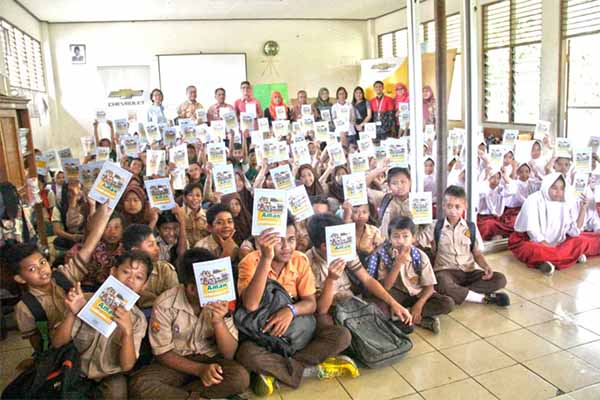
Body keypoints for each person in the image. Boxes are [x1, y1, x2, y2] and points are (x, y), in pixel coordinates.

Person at [235, 223, 357, 395]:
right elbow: (251, 305)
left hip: (297, 329)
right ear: (264, 242)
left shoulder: (299, 259)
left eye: (291, 240)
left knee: (342, 336)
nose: (286, 247)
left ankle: (281, 371)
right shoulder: (250, 262)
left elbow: (311, 303)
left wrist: (290, 311)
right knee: (246, 354)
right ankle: (311, 368)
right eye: (279, 241)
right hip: (264, 334)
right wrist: (266, 259)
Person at [129, 248, 250, 399]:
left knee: (240, 377)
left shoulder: (222, 300)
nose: (216, 287)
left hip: (210, 359)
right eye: (209, 283)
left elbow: (229, 353)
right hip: (176, 362)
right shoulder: (165, 304)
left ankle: (180, 395)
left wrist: (219, 321)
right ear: (192, 288)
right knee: (140, 385)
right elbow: (162, 353)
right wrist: (200, 370)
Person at [8, 203, 114, 351]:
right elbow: (38, 343)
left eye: (42, 262)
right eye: (32, 269)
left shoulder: (63, 277)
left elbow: (88, 247)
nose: (42, 270)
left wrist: (106, 215)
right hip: (60, 352)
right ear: (20, 278)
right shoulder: (25, 308)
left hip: (85, 341)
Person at [51, 251, 153, 399]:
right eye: (126, 272)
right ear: (112, 272)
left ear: (144, 285)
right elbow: (57, 343)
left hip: (109, 374)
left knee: (117, 392)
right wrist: (73, 313)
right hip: (74, 368)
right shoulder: (85, 301)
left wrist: (127, 332)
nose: (130, 280)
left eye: (138, 277)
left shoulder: (137, 320)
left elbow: (127, 366)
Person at [305, 214, 412, 328]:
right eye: (339, 241)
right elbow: (321, 309)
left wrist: (395, 304)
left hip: (350, 301)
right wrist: (331, 280)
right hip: (331, 308)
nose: (344, 242)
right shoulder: (307, 263)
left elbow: (367, 279)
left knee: (384, 308)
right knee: (326, 324)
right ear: (324, 247)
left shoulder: (345, 250)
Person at [420, 186, 510, 307]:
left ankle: (457, 292)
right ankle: (481, 298)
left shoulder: (471, 227)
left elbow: (477, 253)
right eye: (449, 206)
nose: (453, 211)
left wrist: (486, 266)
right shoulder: (435, 226)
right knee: (440, 281)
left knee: (500, 279)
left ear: (464, 206)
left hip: (469, 272)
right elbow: (418, 242)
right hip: (446, 271)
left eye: (457, 207)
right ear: (443, 206)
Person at [369, 216, 455, 333]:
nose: (401, 241)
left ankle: (403, 316)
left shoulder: (420, 256)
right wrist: (397, 264)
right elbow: (386, 287)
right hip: (396, 295)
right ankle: (419, 320)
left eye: (405, 236)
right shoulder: (383, 255)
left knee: (447, 303)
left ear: (413, 238)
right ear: (389, 238)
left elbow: (430, 288)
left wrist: (419, 305)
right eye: (396, 236)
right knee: (377, 307)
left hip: (416, 294)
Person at [509, 173, 600, 274]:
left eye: (562, 188)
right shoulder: (533, 200)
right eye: (554, 188)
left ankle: (552, 260)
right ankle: (570, 256)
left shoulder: (563, 203)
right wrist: (550, 247)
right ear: (547, 186)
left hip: (557, 245)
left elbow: (574, 232)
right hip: (533, 242)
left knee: (580, 241)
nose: (558, 192)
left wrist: (583, 209)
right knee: (536, 250)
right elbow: (533, 233)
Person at [122, 224, 179, 311]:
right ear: (135, 250)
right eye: (150, 245)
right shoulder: (120, 271)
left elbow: (174, 303)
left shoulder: (164, 270)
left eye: (156, 244)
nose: (157, 249)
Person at [64, 210, 124, 292]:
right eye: (107, 227)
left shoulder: (125, 251)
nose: (112, 232)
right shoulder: (89, 247)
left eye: (116, 227)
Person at [366, 166, 412, 239]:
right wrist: (377, 170)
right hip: (386, 245)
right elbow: (360, 189)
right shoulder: (384, 198)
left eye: (403, 182)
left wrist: (418, 240)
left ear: (410, 182)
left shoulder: (418, 201)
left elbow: (428, 227)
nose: (399, 186)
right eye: (394, 183)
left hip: (411, 247)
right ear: (389, 186)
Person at [182, 182, 209, 247]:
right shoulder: (180, 213)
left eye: (198, 195)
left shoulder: (207, 214)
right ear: (185, 198)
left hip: (204, 250)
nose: (194, 198)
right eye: (190, 195)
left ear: (202, 198)